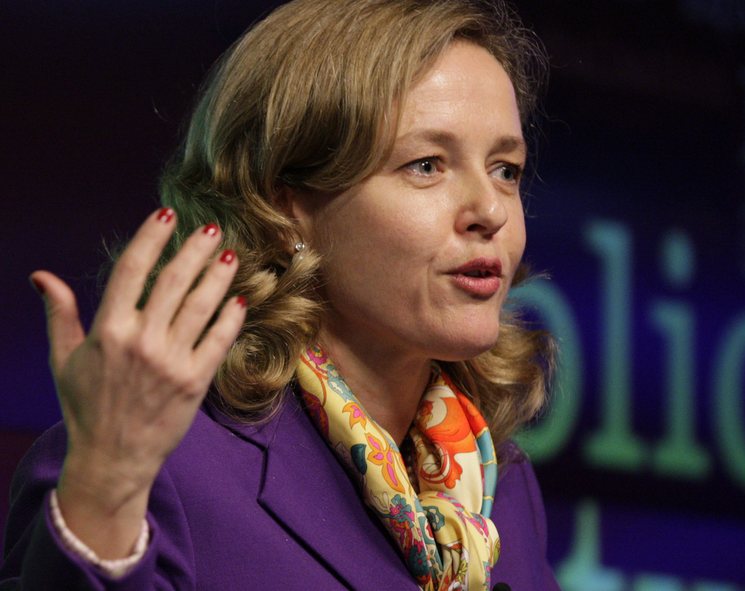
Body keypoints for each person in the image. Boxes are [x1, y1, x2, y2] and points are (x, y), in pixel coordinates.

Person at [1, 0, 558, 589]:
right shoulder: (150, 472)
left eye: (506, 169)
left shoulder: (499, 484)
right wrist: (103, 497)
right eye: (426, 164)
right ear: (284, 206)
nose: (490, 211)